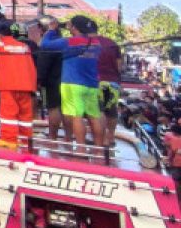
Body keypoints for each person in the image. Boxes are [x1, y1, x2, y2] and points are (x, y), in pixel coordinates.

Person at [41, 15, 103, 150]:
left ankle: (81, 148)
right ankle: (99, 149)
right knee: (94, 116)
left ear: (74, 27)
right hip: (92, 84)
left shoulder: (70, 42)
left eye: (70, 25)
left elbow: (45, 45)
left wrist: (51, 30)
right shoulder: (96, 43)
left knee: (77, 116)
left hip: (72, 83)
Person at [0, 22, 38, 148]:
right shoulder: (24, 46)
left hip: (8, 85)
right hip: (26, 85)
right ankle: (26, 140)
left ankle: (9, 140)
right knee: (25, 115)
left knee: (8, 113)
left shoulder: (0, 45)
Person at [27, 19, 66, 141]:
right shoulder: (64, 43)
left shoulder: (48, 46)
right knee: (66, 110)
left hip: (52, 82)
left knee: (54, 108)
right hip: (67, 80)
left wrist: (39, 81)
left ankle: (52, 136)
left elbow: (43, 66)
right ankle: (68, 137)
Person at [93, 25, 124, 146]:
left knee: (99, 110)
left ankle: (102, 139)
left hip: (96, 81)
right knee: (112, 111)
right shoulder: (111, 43)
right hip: (112, 82)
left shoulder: (86, 43)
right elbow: (119, 65)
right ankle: (110, 137)